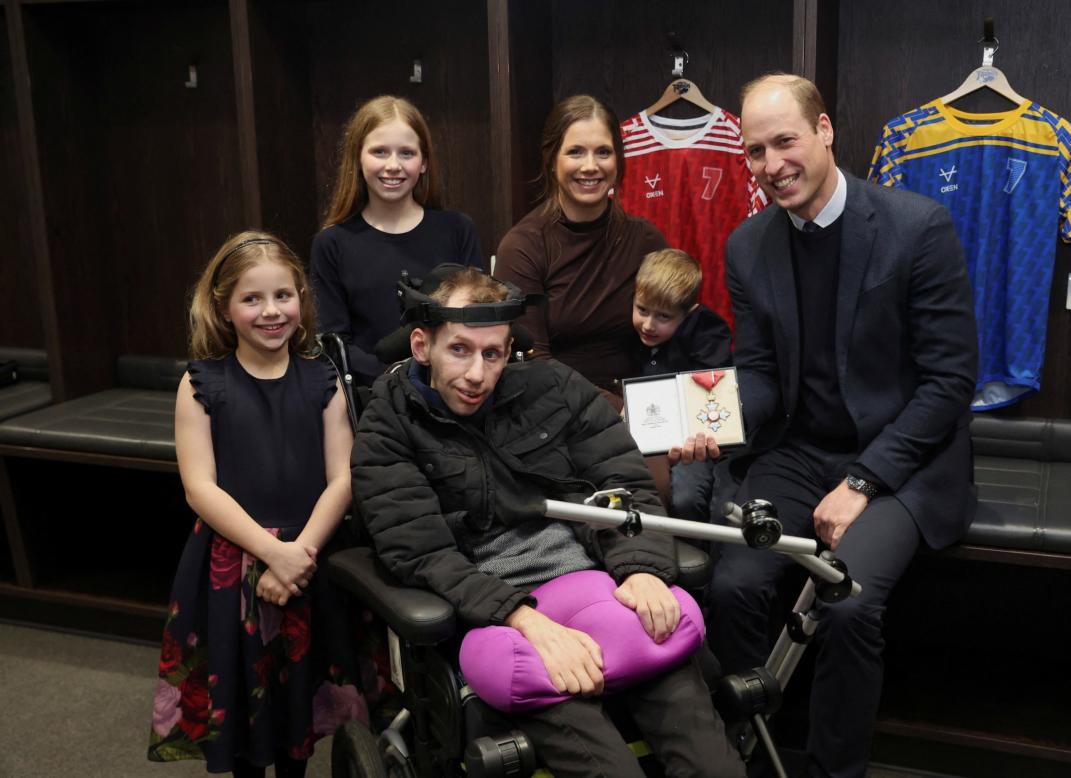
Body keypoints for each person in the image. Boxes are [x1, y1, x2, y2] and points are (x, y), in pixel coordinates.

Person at [683, 73, 978, 778]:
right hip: (796, 448)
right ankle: (745, 757)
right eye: (754, 151)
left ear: (823, 132)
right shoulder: (747, 245)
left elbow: (948, 384)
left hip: (902, 457)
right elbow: (757, 375)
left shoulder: (915, 226)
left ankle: (834, 770)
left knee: (845, 603)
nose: (770, 164)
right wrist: (708, 422)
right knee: (732, 587)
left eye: (783, 141)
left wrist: (863, 480)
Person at [350, 265, 744, 778]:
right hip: (497, 615)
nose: (477, 374)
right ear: (422, 346)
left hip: (600, 584)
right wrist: (524, 618)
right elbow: (420, 553)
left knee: (715, 766)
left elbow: (628, 486)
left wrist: (642, 568)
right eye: (460, 350)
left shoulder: (552, 388)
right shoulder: (389, 425)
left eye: (492, 354)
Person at [149, 232, 365, 776]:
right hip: (232, 569)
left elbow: (342, 478)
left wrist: (299, 554)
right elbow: (200, 489)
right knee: (245, 711)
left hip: (308, 559)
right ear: (224, 306)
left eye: (283, 296)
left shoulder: (323, 378)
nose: (271, 311)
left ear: (301, 300)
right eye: (252, 299)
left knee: (299, 713)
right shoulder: (202, 383)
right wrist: (273, 554)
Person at [494, 95, 667, 408]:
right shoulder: (522, 248)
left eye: (603, 152)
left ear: (619, 159)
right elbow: (532, 367)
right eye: (575, 152)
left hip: (642, 410)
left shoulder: (646, 241)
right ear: (551, 159)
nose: (591, 166)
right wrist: (616, 413)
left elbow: (677, 340)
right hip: (555, 415)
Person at [311, 95, 484, 386]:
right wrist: (396, 377)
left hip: (452, 391)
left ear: (424, 162)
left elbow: (478, 321)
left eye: (406, 153)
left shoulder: (457, 229)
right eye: (379, 152)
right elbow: (334, 344)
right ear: (358, 158)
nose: (393, 165)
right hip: (371, 397)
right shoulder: (332, 244)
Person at [630, 248, 732, 521]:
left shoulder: (708, 337)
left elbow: (713, 400)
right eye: (642, 310)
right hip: (644, 438)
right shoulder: (628, 334)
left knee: (686, 497)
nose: (648, 325)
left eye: (664, 317)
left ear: (689, 314)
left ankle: (697, 555)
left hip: (692, 439)